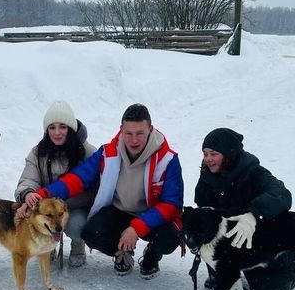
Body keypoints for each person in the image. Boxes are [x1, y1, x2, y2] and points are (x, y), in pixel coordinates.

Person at [22, 103, 183, 279]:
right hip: (119, 212)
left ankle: (152, 254)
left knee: (169, 238)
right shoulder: (109, 152)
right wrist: (43, 194)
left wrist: (137, 228)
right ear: (121, 129)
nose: (134, 140)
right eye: (128, 133)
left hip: (150, 214)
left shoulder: (167, 159)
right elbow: (78, 179)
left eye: (140, 133)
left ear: (150, 129)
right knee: (91, 232)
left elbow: (172, 204)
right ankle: (121, 251)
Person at [195, 127, 295, 290]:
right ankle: (221, 272)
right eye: (205, 154)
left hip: (261, 246)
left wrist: (253, 214)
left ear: (228, 153)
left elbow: (282, 195)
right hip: (230, 244)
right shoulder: (208, 174)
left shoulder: (253, 172)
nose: (208, 159)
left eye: (213, 153)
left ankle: (294, 273)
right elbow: (202, 205)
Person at [15, 101, 97, 267]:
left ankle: (77, 243)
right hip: (47, 209)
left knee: (76, 225)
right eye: (52, 127)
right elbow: (28, 179)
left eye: (62, 127)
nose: (57, 132)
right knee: (35, 215)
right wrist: (28, 193)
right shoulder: (38, 152)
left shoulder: (87, 152)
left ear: (71, 129)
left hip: (76, 207)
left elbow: (95, 191)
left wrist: (62, 204)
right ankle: (48, 243)